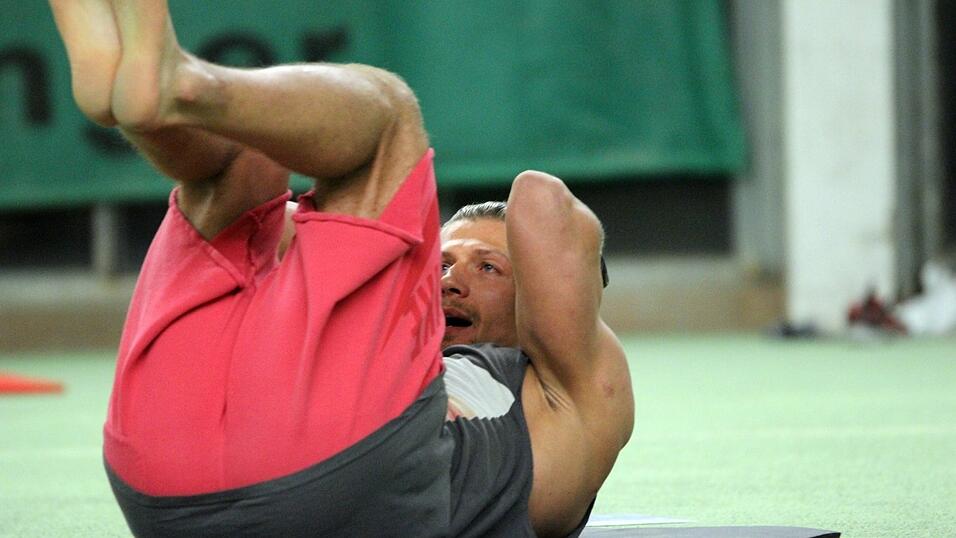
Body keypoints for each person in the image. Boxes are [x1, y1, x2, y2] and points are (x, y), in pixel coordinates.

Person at [49, 1, 633, 536]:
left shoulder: (569, 391)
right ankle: (146, 103)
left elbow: (540, 199)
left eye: (489, 269)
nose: (449, 280)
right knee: (247, 159)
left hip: (337, 473)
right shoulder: (376, 344)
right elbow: (275, 213)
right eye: (442, 262)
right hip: (162, 470)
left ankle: (179, 85)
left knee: (389, 118)